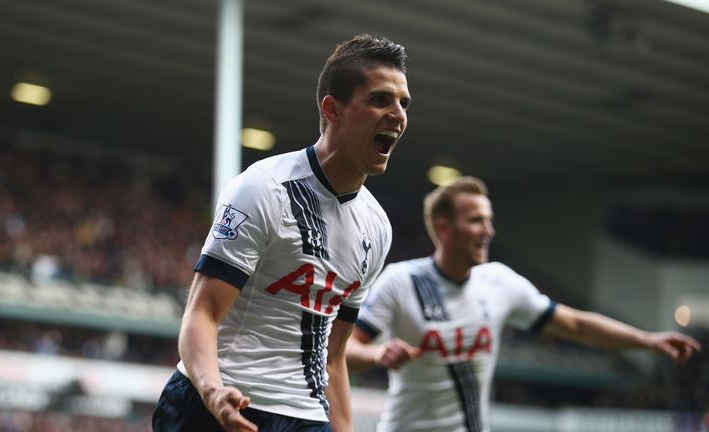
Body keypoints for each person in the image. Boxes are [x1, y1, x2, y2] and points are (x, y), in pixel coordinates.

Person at [152, 33, 411, 432]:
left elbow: (334, 356)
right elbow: (201, 313)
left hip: (305, 416)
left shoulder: (377, 228)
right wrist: (213, 391)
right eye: (380, 100)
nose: (397, 114)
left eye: (403, 103)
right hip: (218, 405)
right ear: (333, 109)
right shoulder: (263, 188)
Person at [346, 176, 701, 432]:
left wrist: (646, 340)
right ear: (443, 228)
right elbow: (346, 350)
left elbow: (575, 324)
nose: (488, 230)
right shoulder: (401, 281)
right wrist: (378, 355)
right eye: (476, 221)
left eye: (489, 220)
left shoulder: (499, 281)